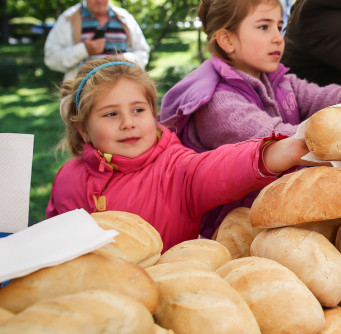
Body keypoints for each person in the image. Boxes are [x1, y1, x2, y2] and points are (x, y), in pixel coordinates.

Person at [159, 0, 341, 237]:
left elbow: (318, 99)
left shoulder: (277, 79)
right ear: (227, 40)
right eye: (264, 27)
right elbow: (275, 138)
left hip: (281, 210)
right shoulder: (217, 102)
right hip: (235, 225)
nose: (278, 38)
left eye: (279, 26)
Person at [46, 57, 311, 251]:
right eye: (111, 114)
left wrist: (286, 150)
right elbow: (51, 244)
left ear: (154, 114)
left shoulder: (178, 170)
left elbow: (226, 167)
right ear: (83, 129)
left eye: (138, 110)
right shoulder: (67, 178)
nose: (128, 123)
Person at [44, 0, 150, 81]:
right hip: (83, 90)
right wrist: (84, 50)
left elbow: (143, 53)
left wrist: (125, 59)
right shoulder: (68, 19)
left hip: (123, 89)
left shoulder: (125, 18)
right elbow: (51, 59)